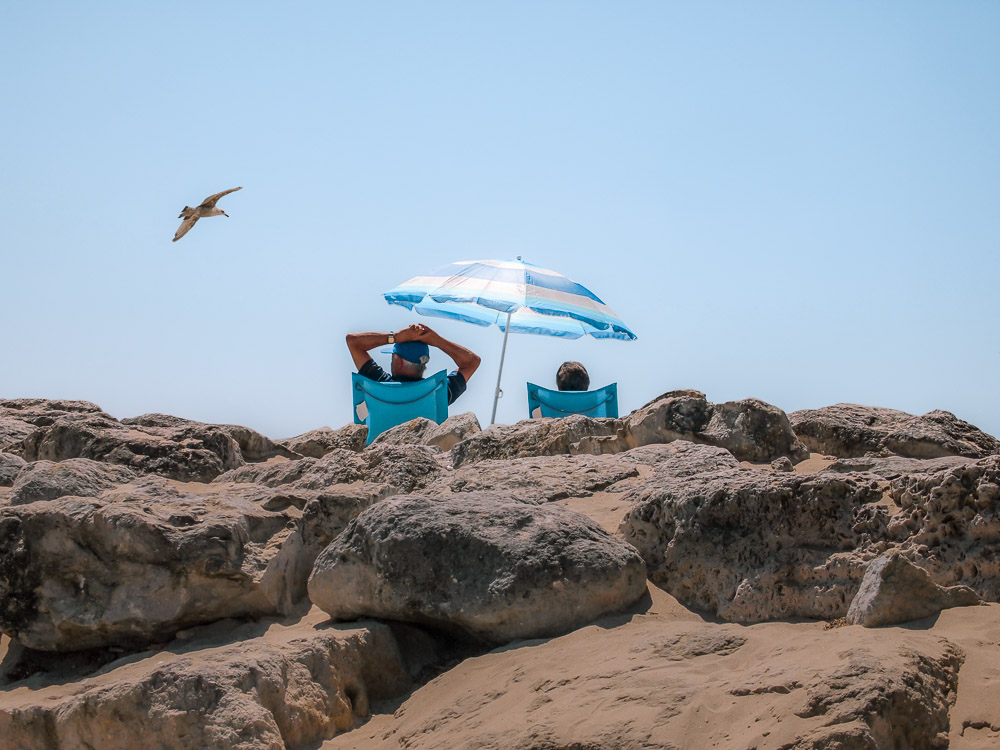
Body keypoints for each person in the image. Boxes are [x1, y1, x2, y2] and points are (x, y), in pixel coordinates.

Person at [346, 323, 480, 405]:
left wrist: (395, 337)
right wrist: (438, 341)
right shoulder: (438, 393)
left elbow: (353, 341)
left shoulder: (380, 383)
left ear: (397, 361)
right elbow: (472, 362)